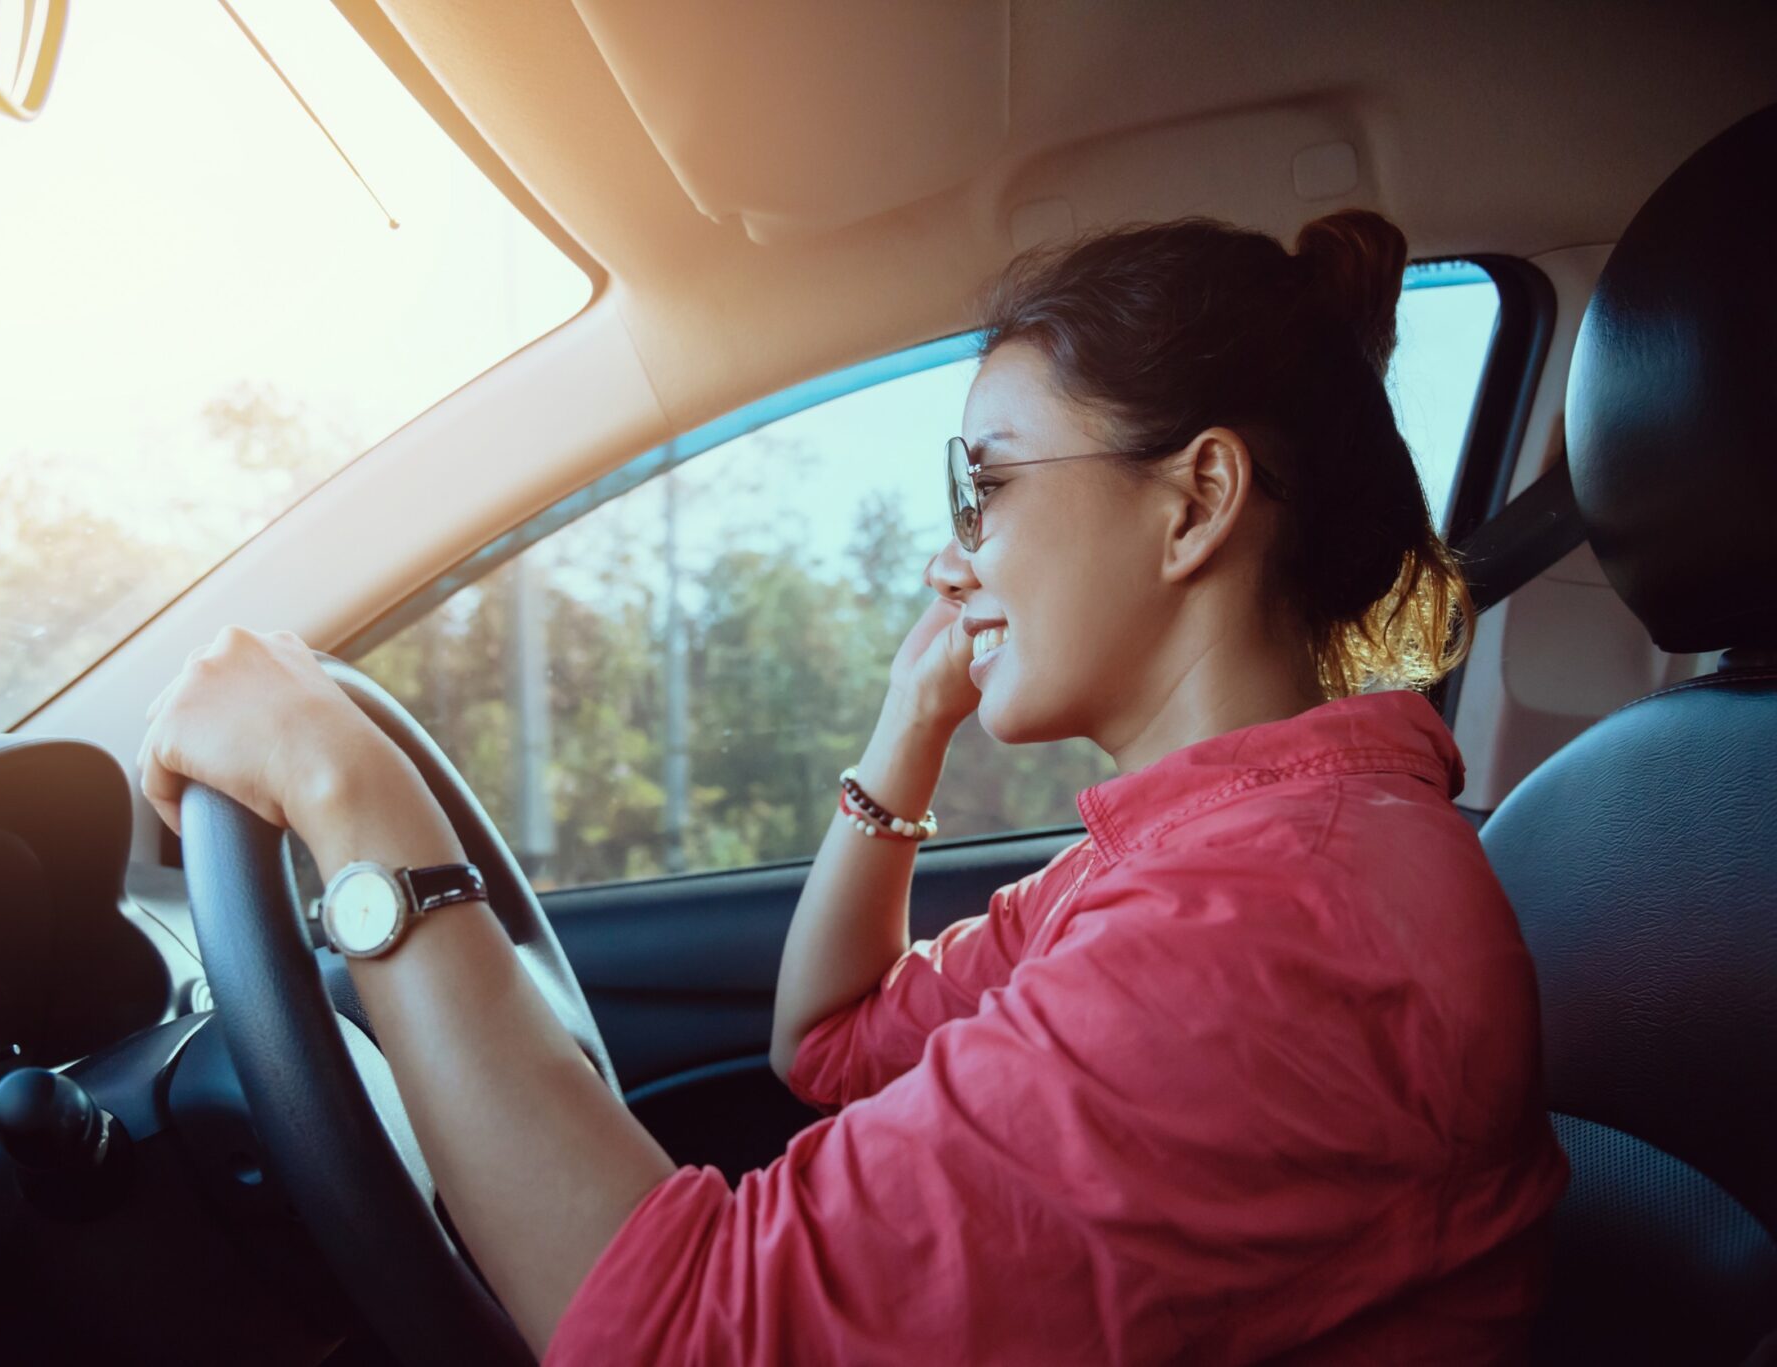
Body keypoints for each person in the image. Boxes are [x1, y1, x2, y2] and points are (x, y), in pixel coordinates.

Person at [139, 210, 1569, 1363]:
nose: (954, 555)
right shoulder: (1198, 856)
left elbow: (682, 1340)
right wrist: (907, 728)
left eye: (988, 486)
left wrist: (348, 791)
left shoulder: (1271, 925)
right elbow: (828, 1045)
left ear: (1194, 503)